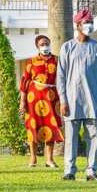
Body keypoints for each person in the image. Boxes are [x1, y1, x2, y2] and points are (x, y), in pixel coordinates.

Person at [57, 9, 97, 182]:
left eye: (91, 22)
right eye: (86, 22)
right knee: (71, 138)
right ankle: (69, 170)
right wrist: (63, 101)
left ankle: (91, 171)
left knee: (94, 136)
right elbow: (61, 77)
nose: (90, 25)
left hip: (92, 102)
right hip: (71, 101)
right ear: (77, 25)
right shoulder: (67, 47)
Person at [20, 35, 64, 168]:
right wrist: (22, 101)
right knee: (33, 127)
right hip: (33, 99)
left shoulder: (57, 60)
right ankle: (33, 158)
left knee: (51, 126)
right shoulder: (31, 61)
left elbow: (63, 79)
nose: (45, 46)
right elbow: (24, 82)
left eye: (46, 43)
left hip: (52, 99)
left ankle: (49, 159)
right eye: (42, 44)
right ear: (37, 46)